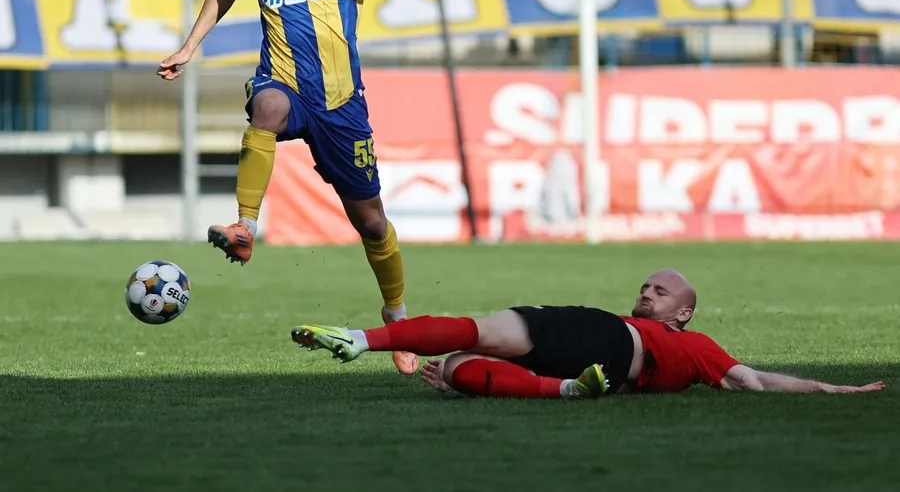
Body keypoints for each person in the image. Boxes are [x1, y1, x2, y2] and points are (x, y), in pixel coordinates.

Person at [156, 0, 418, 376]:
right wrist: (189, 47)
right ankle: (246, 227)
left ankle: (396, 317)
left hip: (341, 103)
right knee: (268, 106)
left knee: (371, 221)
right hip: (285, 85)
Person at [292, 270, 886, 398]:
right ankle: (568, 391)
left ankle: (360, 339)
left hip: (603, 339)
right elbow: (748, 383)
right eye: (645, 286)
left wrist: (829, 389)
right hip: (596, 360)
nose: (647, 293)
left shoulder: (694, 345)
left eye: (660, 292)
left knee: (486, 331)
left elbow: (752, 380)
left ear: (683, 314)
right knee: (454, 368)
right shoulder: (651, 331)